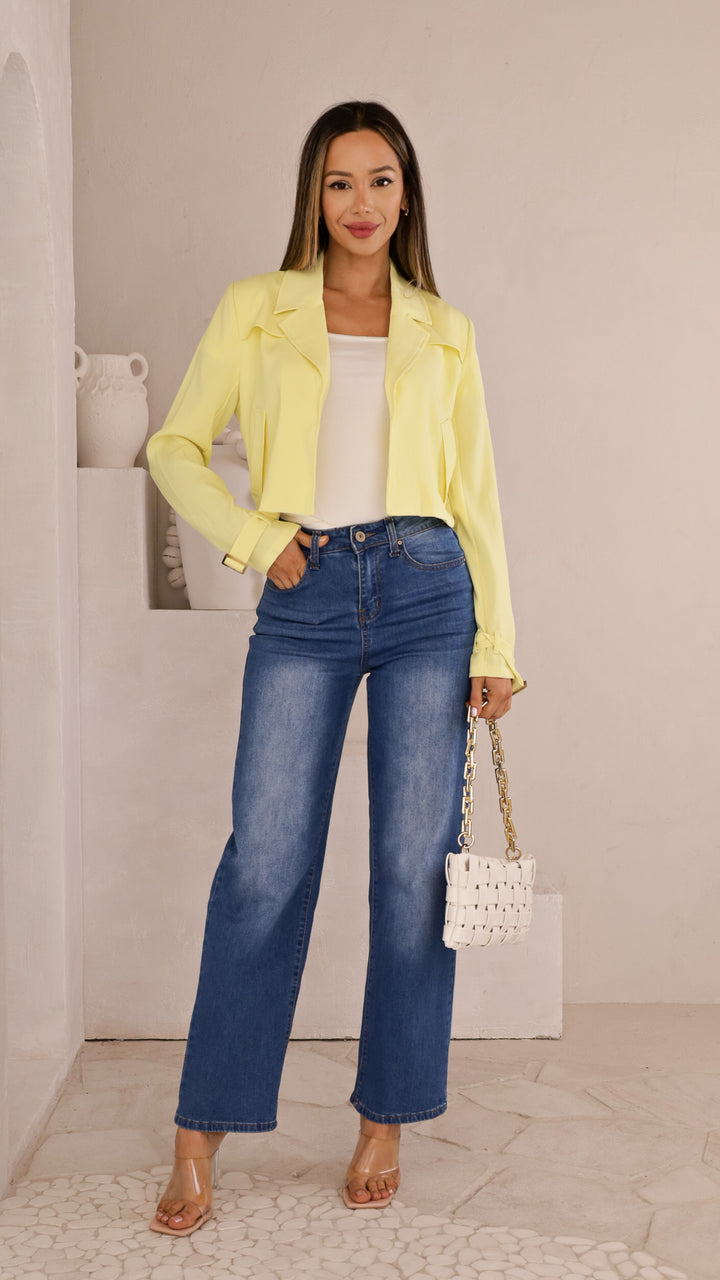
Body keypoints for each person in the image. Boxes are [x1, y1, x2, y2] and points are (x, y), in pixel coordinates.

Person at [146, 99, 525, 1236]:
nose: (362, 203)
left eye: (381, 180)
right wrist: (257, 539)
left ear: (407, 196)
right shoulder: (255, 309)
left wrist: (499, 643)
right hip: (304, 591)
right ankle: (200, 1130)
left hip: (428, 588)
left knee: (413, 870)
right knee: (263, 862)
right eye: (340, 182)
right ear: (314, 194)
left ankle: (384, 1117)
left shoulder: (444, 329)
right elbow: (173, 446)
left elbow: (477, 496)